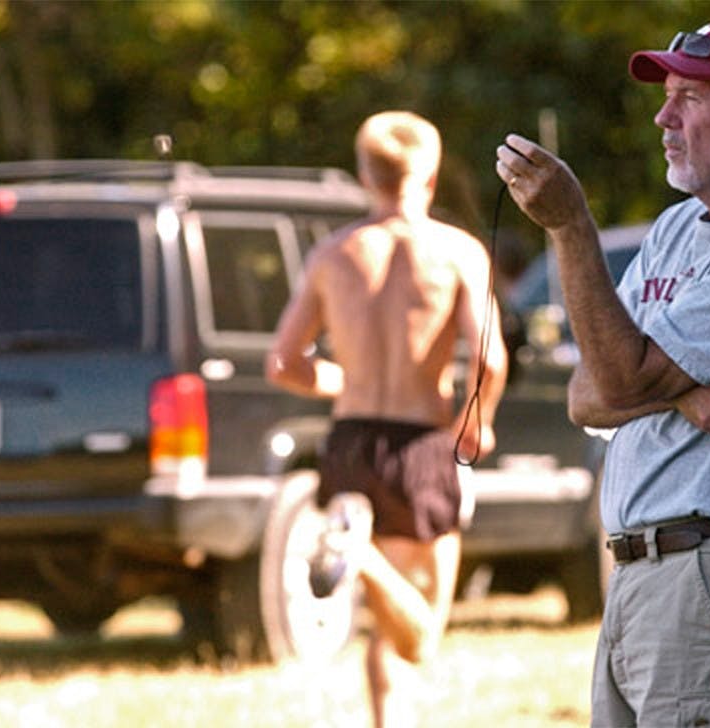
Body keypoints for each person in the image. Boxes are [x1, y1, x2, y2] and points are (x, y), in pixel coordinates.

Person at [496, 19, 710, 728]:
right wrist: (686, 393)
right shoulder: (675, 229)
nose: (663, 114)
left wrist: (570, 228)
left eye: (689, 95)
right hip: (641, 579)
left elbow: (619, 385)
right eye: (668, 94)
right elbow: (584, 397)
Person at [267, 110, 507, 727]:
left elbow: (285, 362)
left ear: (363, 175)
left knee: (386, 628)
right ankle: (362, 555)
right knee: (420, 635)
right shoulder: (458, 252)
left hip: (350, 443)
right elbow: (489, 357)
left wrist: (349, 380)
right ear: (430, 176)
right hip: (421, 444)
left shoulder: (334, 254)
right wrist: (478, 422)